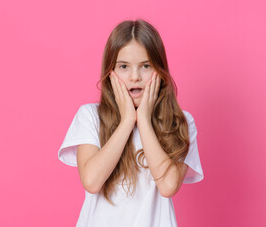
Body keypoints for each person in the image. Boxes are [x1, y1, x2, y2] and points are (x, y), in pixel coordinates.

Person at [58, 19, 204, 227]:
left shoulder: (180, 122)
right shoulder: (90, 116)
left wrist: (143, 120)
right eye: (124, 66)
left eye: (145, 66)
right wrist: (127, 120)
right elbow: (91, 181)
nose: (135, 77)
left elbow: (168, 186)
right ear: (111, 73)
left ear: (160, 71)